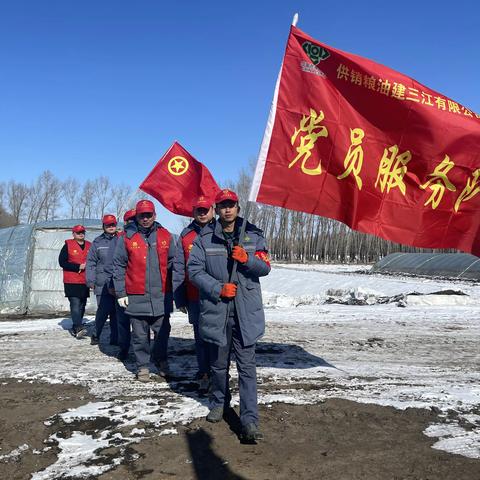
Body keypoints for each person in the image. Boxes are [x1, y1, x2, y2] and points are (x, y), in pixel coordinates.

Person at [188, 189, 271, 442]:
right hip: (218, 311)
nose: (227, 209)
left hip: (246, 313)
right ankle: (218, 403)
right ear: (217, 208)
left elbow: (265, 267)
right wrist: (217, 288)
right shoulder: (204, 239)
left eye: (231, 205)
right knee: (218, 365)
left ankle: (249, 420)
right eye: (222, 205)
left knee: (247, 368)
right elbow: (194, 270)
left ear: (237, 207)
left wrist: (247, 259)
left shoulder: (253, 236)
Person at [113, 200, 174, 381]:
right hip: (136, 295)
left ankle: (161, 360)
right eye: (142, 215)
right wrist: (121, 292)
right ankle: (143, 366)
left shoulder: (166, 236)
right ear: (136, 217)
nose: (146, 219)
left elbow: (174, 264)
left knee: (162, 333)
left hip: (161, 296)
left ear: (155, 215)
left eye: (149, 215)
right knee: (140, 336)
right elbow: (119, 266)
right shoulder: (126, 238)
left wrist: (176, 291)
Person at [173, 196, 214, 394]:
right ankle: (204, 372)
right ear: (193, 212)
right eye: (199, 210)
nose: (203, 213)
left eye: (206, 209)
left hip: (218, 296)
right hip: (194, 295)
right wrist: (179, 297)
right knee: (200, 337)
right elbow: (179, 268)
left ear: (212, 210)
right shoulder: (186, 235)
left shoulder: (221, 231)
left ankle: (219, 371)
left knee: (219, 337)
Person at [102, 208, 137, 361]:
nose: (133, 223)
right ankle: (124, 348)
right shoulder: (118, 240)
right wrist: (112, 285)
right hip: (122, 286)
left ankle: (142, 349)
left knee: (140, 323)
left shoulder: (145, 239)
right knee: (123, 320)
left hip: (140, 287)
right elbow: (110, 264)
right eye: (131, 220)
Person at [86, 214, 119, 346]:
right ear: (103, 226)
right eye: (108, 225)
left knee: (117, 312)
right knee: (103, 311)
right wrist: (90, 280)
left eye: (113, 224)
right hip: (102, 283)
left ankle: (115, 338)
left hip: (117, 282)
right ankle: (96, 334)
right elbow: (91, 262)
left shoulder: (121, 240)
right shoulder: (97, 242)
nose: (111, 227)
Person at [58, 225, 92, 338]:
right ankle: (78, 327)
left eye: (82, 232)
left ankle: (77, 324)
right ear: (73, 234)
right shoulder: (68, 245)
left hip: (84, 279)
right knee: (75, 303)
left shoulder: (89, 245)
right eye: (78, 233)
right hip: (71, 280)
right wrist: (78, 266)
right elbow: (62, 262)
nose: (81, 234)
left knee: (82, 303)